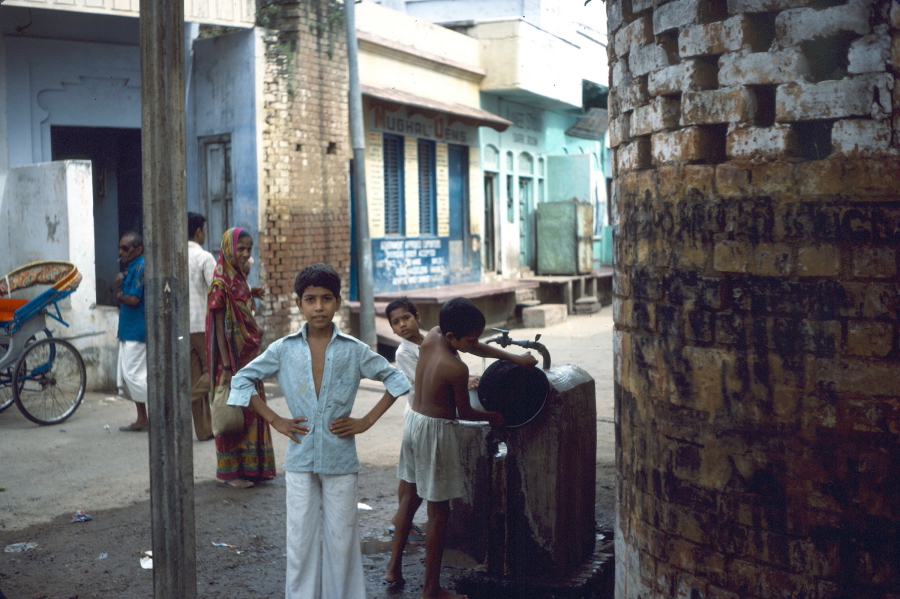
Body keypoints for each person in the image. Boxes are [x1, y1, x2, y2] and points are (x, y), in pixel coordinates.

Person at [228, 263, 410, 599]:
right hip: (300, 457)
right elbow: (241, 380)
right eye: (310, 299)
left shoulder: (354, 350)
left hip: (341, 457)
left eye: (326, 299)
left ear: (338, 302)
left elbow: (396, 380)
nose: (318, 307)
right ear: (299, 304)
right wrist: (276, 420)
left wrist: (366, 421)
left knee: (342, 538)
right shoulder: (283, 349)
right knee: (300, 540)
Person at [384, 297, 538, 599]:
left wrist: (515, 358)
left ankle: (393, 568)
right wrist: (493, 416)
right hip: (435, 434)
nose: (476, 342)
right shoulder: (455, 366)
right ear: (454, 337)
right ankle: (431, 589)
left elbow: (475, 346)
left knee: (410, 498)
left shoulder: (433, 336)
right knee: (438, 513)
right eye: (471, 338)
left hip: (413, 423)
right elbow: (465, 412)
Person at [385, 298, 479, 544]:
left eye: (406, 318)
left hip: (425, 413)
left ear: (417, 316)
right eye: (396, 322)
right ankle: (401, 522)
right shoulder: (403, 352)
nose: (403, 325)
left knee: (412, 480)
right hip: (421, 413)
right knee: (410, 481)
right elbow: (422, 379)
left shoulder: (431, 338)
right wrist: (462, 381)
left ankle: (402, 522)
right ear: (392, 329)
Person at [206, 227, 275, 489]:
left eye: (249, 249)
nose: (246, 254)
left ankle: (252, 467)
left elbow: (244, 310)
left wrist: (251, 292)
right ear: (228, 250)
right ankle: (230, 473)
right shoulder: (221, 284)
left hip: (249, 361)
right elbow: (219, 330)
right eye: (241, 249)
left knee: (249, 413)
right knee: (231, 414)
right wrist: (225, 366)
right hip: (232, 363)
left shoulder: (239, 280)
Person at [116, 231, 149, 432]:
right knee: (130, 376)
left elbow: (134, 299)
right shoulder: (133, 267)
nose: (121, 252)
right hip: (129, 329)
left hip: (137, 329)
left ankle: (162, 412)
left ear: (138, 249)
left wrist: (119, 296)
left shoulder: (141, 267)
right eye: (120, 248)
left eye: (125, 248)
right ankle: (142, 417)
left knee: (134, 376)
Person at [187, 212, 216, 441]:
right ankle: (182, 401)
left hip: (182, 326)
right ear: (198, 232)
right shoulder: (203, 257)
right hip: (202, 324)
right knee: (215, 371)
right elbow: (215, 291)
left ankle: (204, 430)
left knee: (197, 374)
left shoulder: (175, 255)